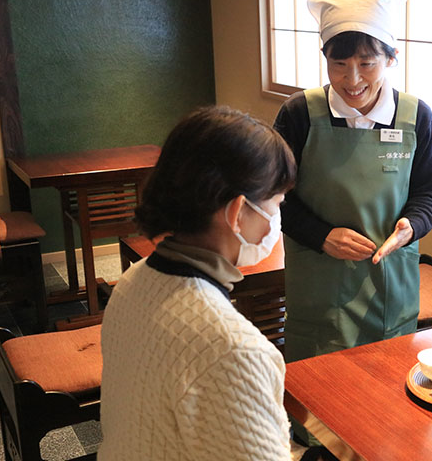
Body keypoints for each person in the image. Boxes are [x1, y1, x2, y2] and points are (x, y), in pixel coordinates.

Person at [99, 106, 296, 461]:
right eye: (276, 202)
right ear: (237, 212)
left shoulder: (134, 280)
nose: (276, 218)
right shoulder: (235, 351)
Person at [273, 0, 432, 365]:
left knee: (387, 386)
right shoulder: (300, 113)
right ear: (325, 60)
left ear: (391, 58)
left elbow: (431, 191)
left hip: (388, 280)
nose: (353, 80)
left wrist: (412, 226)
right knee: (318, 387)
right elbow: (270, 194)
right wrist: (321, 235)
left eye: (367, 64)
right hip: (318, 278)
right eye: (339, 65)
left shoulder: (416, 117)